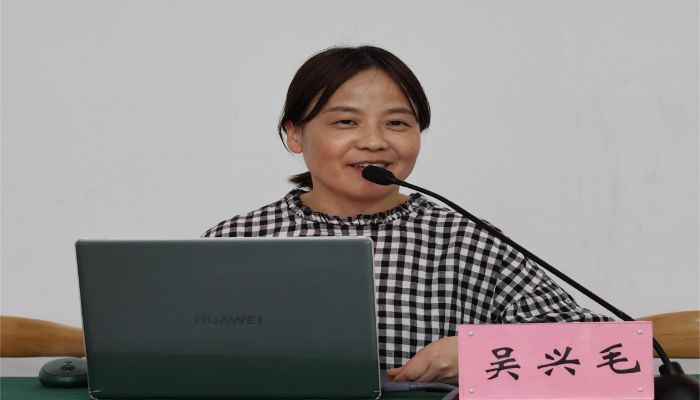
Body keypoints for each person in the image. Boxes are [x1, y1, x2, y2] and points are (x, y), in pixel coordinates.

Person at [202, 45, 611, 384]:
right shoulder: (235, 241)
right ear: (294, 134)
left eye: (397, 123)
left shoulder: (467, 240)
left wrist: (479, 354)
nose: (374, 141)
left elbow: (597, 350)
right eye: (346, 121)